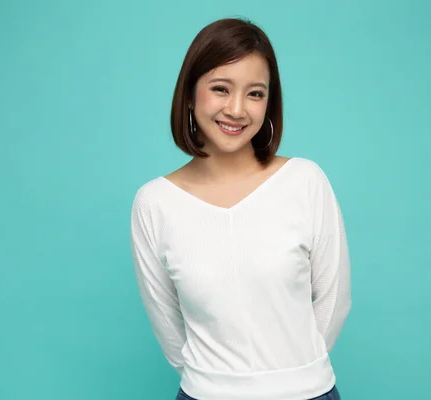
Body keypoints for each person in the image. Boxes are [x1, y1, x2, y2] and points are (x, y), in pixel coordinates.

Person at [130, 17, 351, 400]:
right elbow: (167, 323)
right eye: (220, 88)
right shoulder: (155, 203)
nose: (236, 109)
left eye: (255, 93)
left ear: (269, 102)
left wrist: (296, 375)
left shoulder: (305, 181)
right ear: (189, 94)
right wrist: (219, 382)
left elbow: (334, 299)